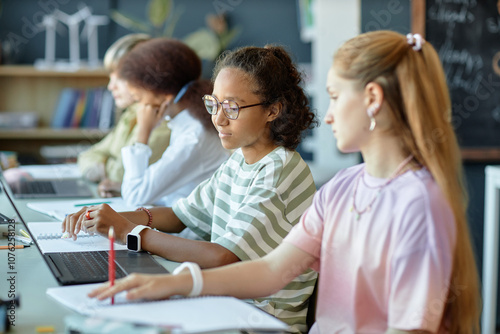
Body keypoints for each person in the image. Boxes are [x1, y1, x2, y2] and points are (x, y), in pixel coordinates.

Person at [89, 31, 481, 333]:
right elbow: (272, 270)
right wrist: (177, 284)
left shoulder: (419, 203)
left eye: (335, 96)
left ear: (373, 98)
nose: (327, 116)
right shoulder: (343, 187)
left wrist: (139, 237)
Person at [63, 44, 318, 333]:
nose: (219, 119)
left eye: (232, 107)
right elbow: (180, 214)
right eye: (215, 104)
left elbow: (223, 256)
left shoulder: (278, 170)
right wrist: (110, 216)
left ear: (273, 110)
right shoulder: (239, 161)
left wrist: (128, 233)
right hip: (229, 306)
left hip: (260, 322)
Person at [115, 38, 229, 207]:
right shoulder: (187, 122)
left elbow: (135, 196)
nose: (139, 107)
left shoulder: (193, 137)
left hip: (189, 232)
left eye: (139, 98)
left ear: (165, 98)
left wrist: (143, 132)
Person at [77, 33, 171, 198]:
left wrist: (103, 166)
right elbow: (88, 154)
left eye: (119, 78)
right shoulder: (132, 112)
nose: (110, 86)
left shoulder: (162, 121)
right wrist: (107, 165)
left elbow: (121, 175)